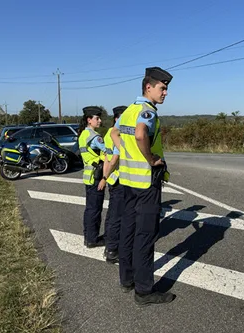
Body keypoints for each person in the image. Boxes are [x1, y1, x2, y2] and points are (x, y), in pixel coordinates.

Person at [110, 67, 175, 306]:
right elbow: (140, 135)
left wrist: (126, 154)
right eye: (162, 88)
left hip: (127, 183)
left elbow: (115, 133)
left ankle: (127, 280)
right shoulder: (147, 112)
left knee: (127, 231)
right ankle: (145, 291)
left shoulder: (128, 110)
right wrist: (150, 159)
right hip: (146, 184)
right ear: (148, 87)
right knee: (145, 235)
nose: (166, 93)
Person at [98, 105, 127, 264]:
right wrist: (105, 176)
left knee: (112, 214)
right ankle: (112, 250)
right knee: (117, 216)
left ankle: (109, 243)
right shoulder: (117, 135)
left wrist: (105, 176)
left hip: (111, 178)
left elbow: (106, 158)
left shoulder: (108, 133)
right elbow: (114, 158)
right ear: (117, 119)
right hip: (118, 179)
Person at [79, 106, 107, 248]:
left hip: (88, 176)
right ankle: (92, 239)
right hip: (96, 176)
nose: (100, 120)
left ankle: (88, 236)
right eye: (97, 118)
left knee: (90, 209)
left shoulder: (83, 135)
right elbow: (109, 150)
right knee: (95, 210)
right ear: (89, 120)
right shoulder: (95, 137)